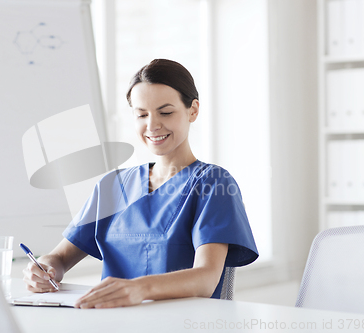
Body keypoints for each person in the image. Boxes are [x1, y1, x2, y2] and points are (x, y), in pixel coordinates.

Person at [23, 59, 258, 309]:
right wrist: (44, 269)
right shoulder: (112, 185)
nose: (152, 125)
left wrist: (139, 288)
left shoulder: (212, 183)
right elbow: (59, 257)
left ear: (193, 110)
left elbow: (206, 279)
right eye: (141, 114)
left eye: (165, 112)